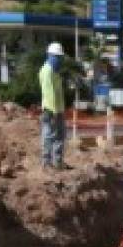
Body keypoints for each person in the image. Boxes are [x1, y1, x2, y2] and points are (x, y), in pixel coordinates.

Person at [39, 42, 69, 170]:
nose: (58, 59)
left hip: (58, 108)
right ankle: (47, 162)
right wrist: (54, 111)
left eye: (59, 57)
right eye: (56, 56)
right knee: (50, 135)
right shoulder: (47, 71)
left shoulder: (55, 71)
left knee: (60, 135)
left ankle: (58, 162)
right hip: (51, 109)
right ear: (50, 56)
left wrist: (60, 109)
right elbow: (48, 92)